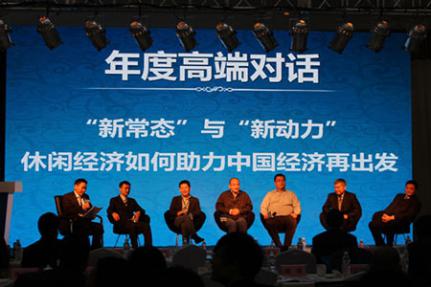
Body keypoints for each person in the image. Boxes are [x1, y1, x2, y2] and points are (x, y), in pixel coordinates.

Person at [369, 180, 421, 246]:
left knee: (389, 224)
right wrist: (385, 215)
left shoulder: (416, 202)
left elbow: (409, 216)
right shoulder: (399, 196)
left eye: (411, 189)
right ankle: (380, 244)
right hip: (389, 219)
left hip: (401, 223)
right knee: (372, 224)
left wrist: (392, 217)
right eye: (407, 188)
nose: (408, 190)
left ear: (415, 190)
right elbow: (391, 206)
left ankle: (389, 245)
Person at [260, 174, 301, 250]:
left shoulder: (291, 194)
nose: (281, 182)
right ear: (275, 183)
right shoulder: (270, 194)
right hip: (274, 217)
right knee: (269, 222)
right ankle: (278, 245)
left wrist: (295, 213)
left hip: (288, 217)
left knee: (292, 221)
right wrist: (265, 214)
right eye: (279, 181)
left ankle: (286, 246)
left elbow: (297, 206)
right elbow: (263, 207)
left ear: (285, 182)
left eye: (283, 180)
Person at [107, 181, 152, 248]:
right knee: (132, 225)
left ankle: (148, 247)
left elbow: (142, 210)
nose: (127, 190)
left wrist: (138, 212)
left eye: (129, 188)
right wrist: (113, 213)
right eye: (126, 188)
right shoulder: (114, 200)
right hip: (120, 224)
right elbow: (109, 210)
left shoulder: (132, 200)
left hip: (132, 223)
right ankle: (135, 247)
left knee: (146, 225)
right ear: (120, 189)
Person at [61, 178, 103, 249]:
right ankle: (85, 248)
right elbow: (67, 211)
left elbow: (90, 208)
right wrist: (81, 208)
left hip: (85, 221)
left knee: (98, 227)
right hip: (73, 222)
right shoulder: (67, 197)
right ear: (75, 186)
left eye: (85, 188)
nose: (84, 190)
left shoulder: (86, 196)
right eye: (82, 188)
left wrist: (92, 213)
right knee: (83, 227)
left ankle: (95, 249)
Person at [167, 180, 205, 245]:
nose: (184, 190)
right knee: (185, 218)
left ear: (189, 188)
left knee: (185, 222)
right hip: (177, 221)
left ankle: (185, 242)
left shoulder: (195, 200)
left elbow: (198, 212)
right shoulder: (175, 199)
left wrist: (191, 214)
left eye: (186, 188)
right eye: (182, 188)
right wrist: (179, 212)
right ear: (179, 190)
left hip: (190, 222)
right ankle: (194, 236)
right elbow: (170, 212)